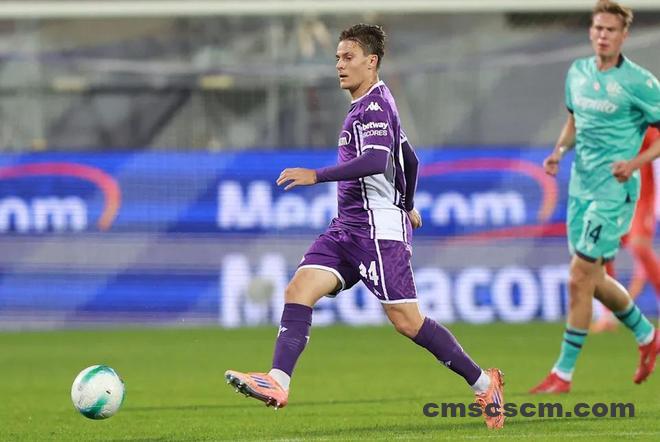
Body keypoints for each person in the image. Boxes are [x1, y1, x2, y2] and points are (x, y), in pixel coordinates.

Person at [225, 23, 505, 429]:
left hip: (376, 232)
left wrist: (317, 176)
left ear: (371, 62)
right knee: (299, 289)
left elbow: (376, 160)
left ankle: (484, 383)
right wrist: (408, 204)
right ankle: (278, 382)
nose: (340, 64)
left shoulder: (373, 106)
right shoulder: (371, 102)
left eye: (348, 57)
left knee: (407, 321)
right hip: (347, 228)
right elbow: (410, 160)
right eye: (338, 57)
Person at [531, 0, 660, 394]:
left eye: (611, 30)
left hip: (613, 193)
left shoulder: (640, 82)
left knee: (578, 277)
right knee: (594, 277)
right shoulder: (578, 72)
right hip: (580, 188)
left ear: (623, 35)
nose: (603, 35)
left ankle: (563, 374)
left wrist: (635, 162)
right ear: (591, 31)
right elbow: (574, 121)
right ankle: (648, 335)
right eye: (598, 28)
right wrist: (558, 151)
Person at [592, 127, 660, 333]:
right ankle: (607, 314)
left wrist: (634, 164)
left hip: (642, 199)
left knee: (639, 247)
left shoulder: (645, 122)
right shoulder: (606, 123)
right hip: (615, 199)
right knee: (601, 251)